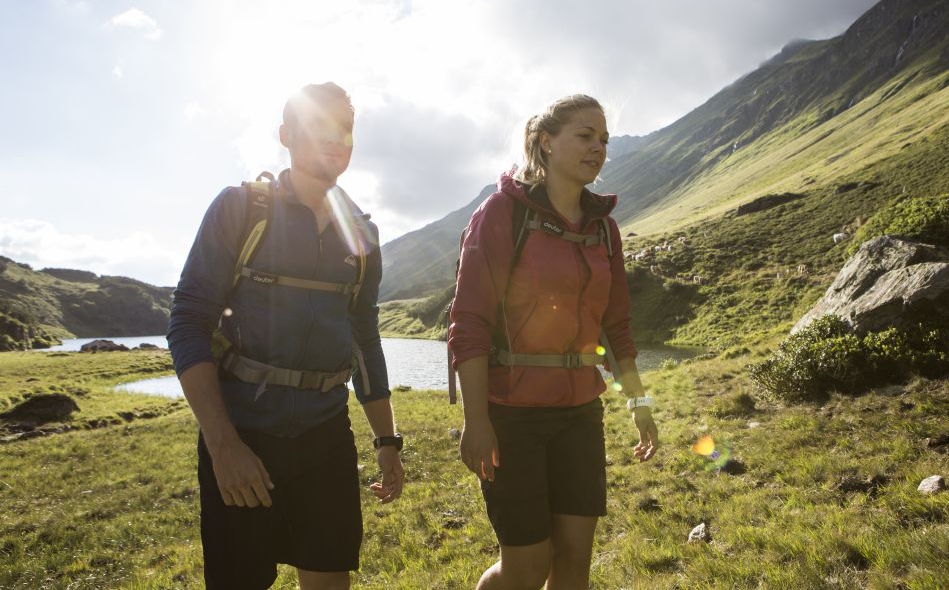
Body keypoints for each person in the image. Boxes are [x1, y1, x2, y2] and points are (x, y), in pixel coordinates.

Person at [168, 83, 404, 590]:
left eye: (344, 128)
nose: (335, 138)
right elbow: (189, 320)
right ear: (285, 135)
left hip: (326, 436)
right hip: (243, 434)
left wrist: (387, 441)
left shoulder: (362, 235)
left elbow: (364, 336)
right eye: (319, 126)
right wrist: (222, 444)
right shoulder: (241, 209)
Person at [448, 94, 659, 590]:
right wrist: (475, 420)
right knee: (526, 568)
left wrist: (640, 402)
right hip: (510, 415)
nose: (598, 148)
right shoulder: (502, 213)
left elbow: (618, 327)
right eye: (585, 136)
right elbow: (470, 321)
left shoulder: (604, 230)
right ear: (546, 142)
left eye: (603, 140)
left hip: (580, 414)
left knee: (573, 566)